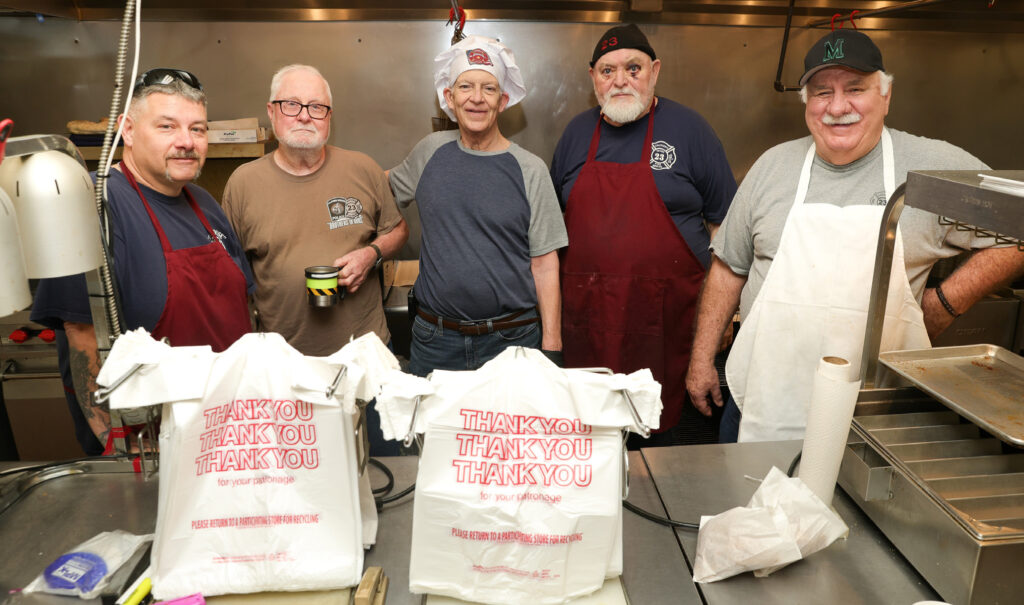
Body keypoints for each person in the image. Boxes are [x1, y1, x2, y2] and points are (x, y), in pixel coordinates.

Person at [685, 30, 1024, 443]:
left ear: (886, 95)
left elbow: (1017, 231)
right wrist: (701, 359)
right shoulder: (772, 166)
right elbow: (728, 267)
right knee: (748, 505)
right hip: (761, 399)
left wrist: (945, 303)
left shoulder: (934, 168)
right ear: (807, 103)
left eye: (856, 89)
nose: (837, 107)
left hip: (877, 411)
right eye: (822, 92)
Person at [31, 68, 254, 451]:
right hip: (153, 448)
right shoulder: (94, 205)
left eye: (197, 129)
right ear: (128, 130)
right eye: (167, 126)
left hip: (230, 435)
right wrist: (117, 442)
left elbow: (241, 311)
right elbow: (82, 340)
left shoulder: (204, 203)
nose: (186, 142)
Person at [550, 24, 737, 443]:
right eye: (607, 70)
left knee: (665, 461)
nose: (620, 80)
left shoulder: (691, 131)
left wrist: (724, 315)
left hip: (669, 328)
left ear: (654, 71)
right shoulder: (575, 135)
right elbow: (548, 233)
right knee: (590, 452)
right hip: (587, 328)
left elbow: (728, 230)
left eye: (632, 68)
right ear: (592, 77)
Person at [222, 64, 408, 455]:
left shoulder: (363, 169)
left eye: (317, 107)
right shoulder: (243, 184)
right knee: (304, 488)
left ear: (329, 118)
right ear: (272, 112)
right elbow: (229, 279)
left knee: (379, 472)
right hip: (287, 370)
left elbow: (396, 230)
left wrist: (370, 254)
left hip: (365, 364)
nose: (305, 115)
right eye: (292, 105)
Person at [389, 35, 568, 377]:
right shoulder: (429, 152)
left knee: (510, 432)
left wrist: (552, 348)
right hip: (435, 341)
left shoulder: (530, 169)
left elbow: (545, 265)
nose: (476, 98)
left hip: (513, 342)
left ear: (502, 101)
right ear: (449, 97)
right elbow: (376, 192)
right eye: (466, 86)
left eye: (488, 89)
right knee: (434, 431)